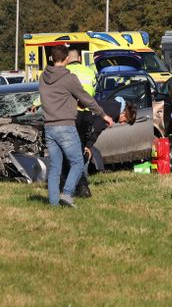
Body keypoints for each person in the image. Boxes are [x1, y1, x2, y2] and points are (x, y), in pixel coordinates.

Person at [40, 45, 113, 207]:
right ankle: (67, 194)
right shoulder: (69, 78)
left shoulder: (43, 77)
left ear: (52, 58)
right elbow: (87, 99)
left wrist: (73, 101)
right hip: (65, 125)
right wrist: (103, 115)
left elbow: (57, 97)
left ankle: (53, 204)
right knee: (78, 162)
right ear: (66, 59)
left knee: (55, 167)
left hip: (49, 127)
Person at [79, 97, 138, 177]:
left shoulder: (113, 105)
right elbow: (96, 128)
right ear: (124, 113)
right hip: (81, 125)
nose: (123, 123)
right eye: (125, 120)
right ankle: (81, 183)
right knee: (83, 157)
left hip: (80, 121)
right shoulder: (114, 111)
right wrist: (88, 146)